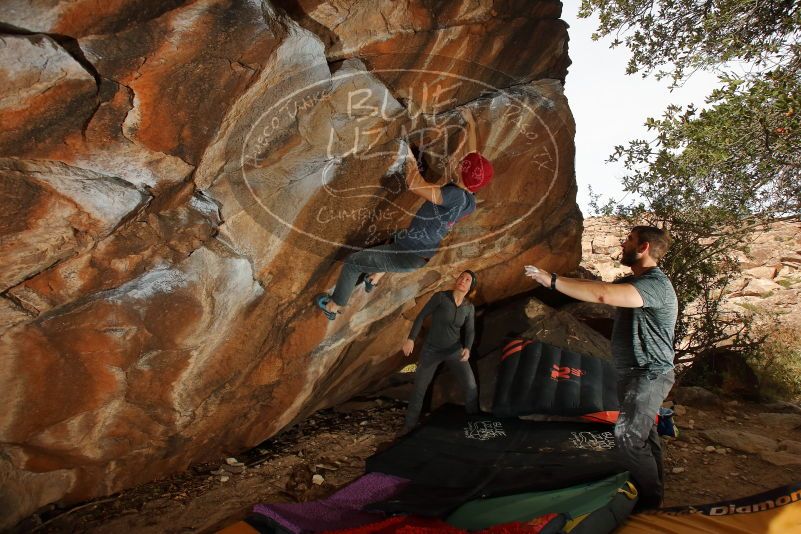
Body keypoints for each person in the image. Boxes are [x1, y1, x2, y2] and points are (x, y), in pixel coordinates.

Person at [524, 226, 677, 510]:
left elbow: (604, 295)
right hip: (633, 373)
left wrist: (552, 281)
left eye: (629, 239)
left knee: (628, 436)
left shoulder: (654, 284)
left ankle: (650, 506)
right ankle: (655, 496)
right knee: (645, 434)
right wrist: (555, 279)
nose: (624, 242)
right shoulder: (639, 280)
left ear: (643, 248)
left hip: (650, 373)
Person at [315, 144, 493, 320]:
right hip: (418, 248)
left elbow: (415, 184)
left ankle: (334, 306)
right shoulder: (470, 202)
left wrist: (407, 156)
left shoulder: (455, 196)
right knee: (394, 238)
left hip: (407, 253)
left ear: (464, 171)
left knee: (353, 264)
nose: (460, 161)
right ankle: (374, 278)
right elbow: (472, 165)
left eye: (463, 162)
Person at [400, 270, 480, 433]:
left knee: (471, 386)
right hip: (431, 350)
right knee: (419, 389)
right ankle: (408, 427)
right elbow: (421, 316)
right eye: (461, 277)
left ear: (471, 286)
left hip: (454, 350)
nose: (462, 280)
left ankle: (475, 425)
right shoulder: (441, 297)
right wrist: (411, 339)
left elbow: (470, 331)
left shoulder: (469, 308)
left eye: (467, 279)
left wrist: (468, 348)